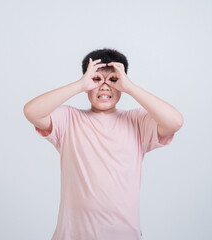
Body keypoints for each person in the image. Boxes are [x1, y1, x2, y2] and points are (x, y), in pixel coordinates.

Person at [23, 48, 183, 240]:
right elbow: (31, 111)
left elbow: (175, 122)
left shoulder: (137, 121)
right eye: (97, 80)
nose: (105, 87)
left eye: (113, 81)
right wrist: (79, 85)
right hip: (73, 235)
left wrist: (131, 87)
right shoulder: (68, 119)